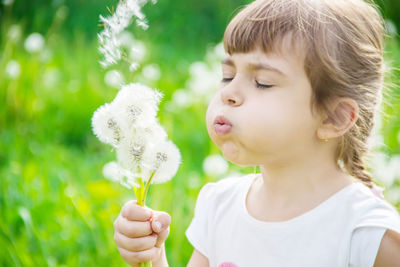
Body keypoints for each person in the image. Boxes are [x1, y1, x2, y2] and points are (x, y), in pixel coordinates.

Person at [112, 0, 400, 266]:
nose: (229, 93)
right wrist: (152, 254)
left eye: (262, 82)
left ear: (333, 118)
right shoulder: (219, 205)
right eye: (227, 75)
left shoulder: (367, 234)